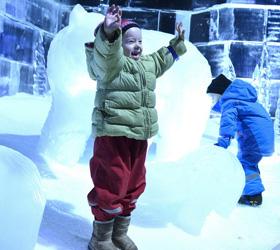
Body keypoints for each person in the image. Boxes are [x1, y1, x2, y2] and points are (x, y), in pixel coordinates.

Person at [84, 4, 187, 250]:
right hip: (113, 135)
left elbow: (162, 59)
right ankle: (100, 238)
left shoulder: (146, 64)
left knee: (134, 183)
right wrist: (109, 31)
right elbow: (105, 54)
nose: (137, 45)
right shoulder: (112, 64)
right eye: (129, 41)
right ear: (118, 44)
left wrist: (177, 43)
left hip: (138, 137)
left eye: (139, 40)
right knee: (112, 183)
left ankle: (119, 233)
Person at [206, 74, 274, 207]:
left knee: (245, 163)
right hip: (260, 135)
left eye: (214, 96)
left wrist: (223, 142)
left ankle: (254, 196)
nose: (214, 100)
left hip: (254, 136)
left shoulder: (230, 100)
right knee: (249, 163)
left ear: (221, 92)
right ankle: (250, 191)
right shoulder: (242, 97)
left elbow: (228, 123)